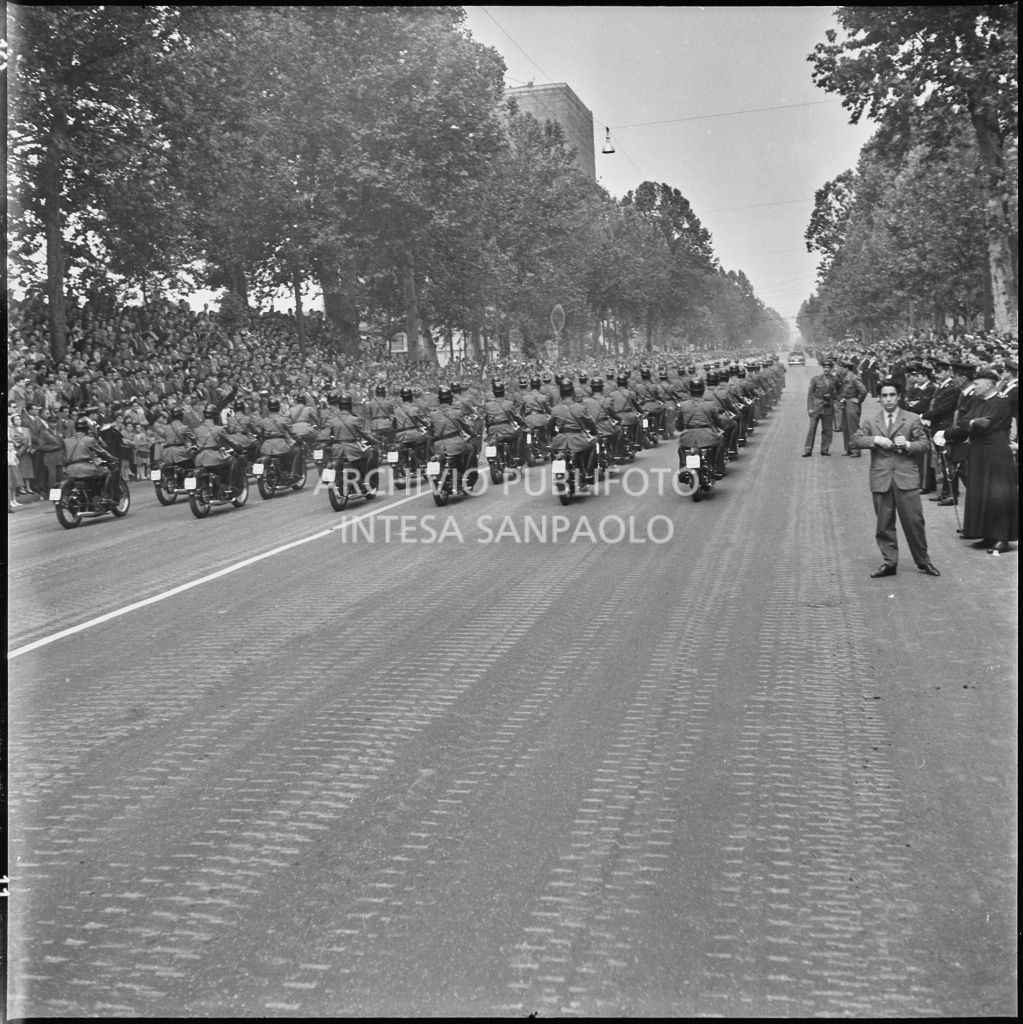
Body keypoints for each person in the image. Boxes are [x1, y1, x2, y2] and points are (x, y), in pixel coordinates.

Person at [852, 380, 940, 577]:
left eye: (892, 395)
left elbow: (925, 444)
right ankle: (889, 562)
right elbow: (855, 440)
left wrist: (908, 444)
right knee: (884, 524)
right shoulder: (871, 421)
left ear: (899, 396)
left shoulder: (911, 419)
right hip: (881, 477)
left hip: (905, 477)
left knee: (914, 521)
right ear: (880, 398)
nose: (888, 399)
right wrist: (875, 440)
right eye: (884, 396)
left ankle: (923, 561)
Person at [944, 367, 1017, 554]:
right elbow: (964, 421)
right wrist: (973, 422)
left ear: (989, 384)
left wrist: (972, 424)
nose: (975, 386)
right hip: (978, 451)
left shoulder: (1002, 402)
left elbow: (988, 425)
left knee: (997, 493)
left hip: (996, 452)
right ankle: (987, 534)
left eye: (977, 383)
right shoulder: (976, 400)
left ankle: (1002, 537)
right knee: (980, 492)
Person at [547, 377, 598, 483]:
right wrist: (594, 432)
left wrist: (553, 434)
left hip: (560, 441)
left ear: (561, 394)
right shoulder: (580, 408)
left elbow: (549, 427)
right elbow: (590, 423)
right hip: (578, 440)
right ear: (573, 393)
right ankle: (588, 472)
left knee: (554, 453)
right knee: (593, 446)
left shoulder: (555, 410)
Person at [427, 385, 478, 490]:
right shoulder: (456, 412)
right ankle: (468, 477)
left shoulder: (433, 414)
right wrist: (473, 434)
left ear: (440, 400)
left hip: (439, 446)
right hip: (455, 443)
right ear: (450, 399)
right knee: (471, 449)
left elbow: (430, 430)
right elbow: (467, 427)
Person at [674, 376, 725, 477]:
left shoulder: (683, 405)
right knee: (720, 442)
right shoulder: (710, 405)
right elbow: (718, 422)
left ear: (690, 391)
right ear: (703, 391)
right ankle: (717, 468)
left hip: (688, 437)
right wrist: (721, 428)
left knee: (681, 449)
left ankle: (683, 468)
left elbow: (679, 426)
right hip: (707, 436)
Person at [62, 417, 117, 500]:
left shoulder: (66, 441)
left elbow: (64, 456)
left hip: (69, 469)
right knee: (107, 472)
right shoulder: (90, 440)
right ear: (86, 429)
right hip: (85, 468)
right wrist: (112, 459)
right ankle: (105, 496)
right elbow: (102, 452)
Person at [803, 357, 838, 456]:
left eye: (828, 367)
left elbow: (838, 392)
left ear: (831, 368)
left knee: (827, 429)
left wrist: (832, 396)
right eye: (825, 367)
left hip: (828, 407)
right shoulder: (816, 379)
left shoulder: (834, 379)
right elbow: (810, 394)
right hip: (816, 407)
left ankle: (825, 449)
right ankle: (808, 449)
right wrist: (810, 408)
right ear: (822, 368)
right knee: (812, 428)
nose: (826, 369)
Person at [838, 361, 868, 457]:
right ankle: (849, 449)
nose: (841, 369)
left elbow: (863, 391)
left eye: (842, 367)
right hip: (846, 403)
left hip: (852, 404)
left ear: (847, 368)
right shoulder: (846, 378)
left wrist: (858, 401)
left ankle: (856, 451)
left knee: (853, 428)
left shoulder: (854, 378)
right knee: (846, 428)